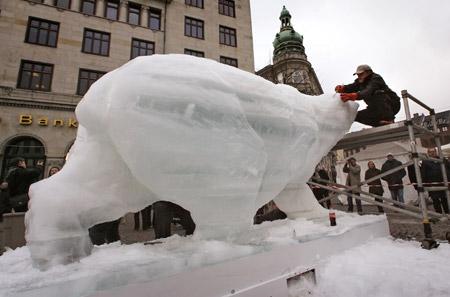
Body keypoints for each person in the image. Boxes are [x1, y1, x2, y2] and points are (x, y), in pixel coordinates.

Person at [335, 64, 401, 127]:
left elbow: (368, 91)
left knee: (378, 93)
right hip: (375, 109)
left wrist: (354, 96)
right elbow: (352, 87)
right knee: (354, 116)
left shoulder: (376, 78)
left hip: (392, 105)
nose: (359, 76)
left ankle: (389, 119)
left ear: (369, 72)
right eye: (358, 75)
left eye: (361, 74)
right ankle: (380, 124)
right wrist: (343, 88)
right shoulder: (360, 81)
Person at [421, 148, 449, 214]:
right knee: (435, 200)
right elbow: (423, 174)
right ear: (428, 153)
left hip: (443, 183)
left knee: (444, 199)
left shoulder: (442, 159)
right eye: (430, 152)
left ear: (436, 152)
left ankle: (447, 213)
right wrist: (425, 186)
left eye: (433, 151)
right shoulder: (425, 162)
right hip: (432, 185)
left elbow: (448, 168)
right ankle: (438, 214)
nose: (432, 153)